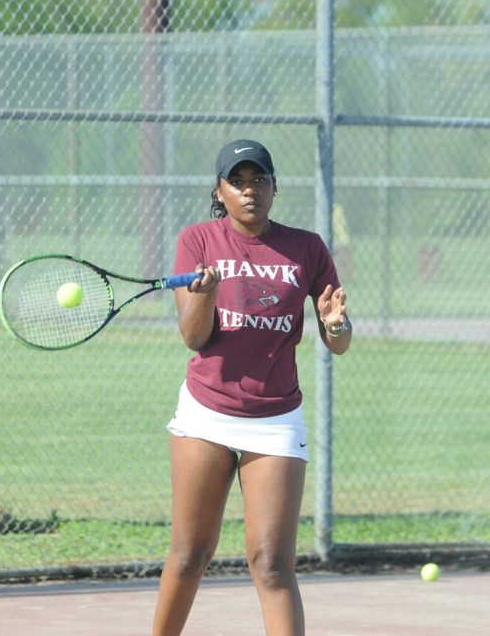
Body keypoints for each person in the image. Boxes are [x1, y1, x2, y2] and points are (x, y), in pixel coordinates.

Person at [153, 139, 352, 636]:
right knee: (188, 555)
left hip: (276, 419)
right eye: (237, 181)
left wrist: (333, 324)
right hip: (207, 412)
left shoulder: (306, 247)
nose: (249, 191)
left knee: (271, 564)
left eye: (259, 180)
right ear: (219, 192)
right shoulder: (197, 240)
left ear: (274, 188)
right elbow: (193, 338)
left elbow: (340, 342)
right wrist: (205, 296)